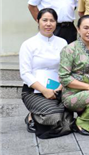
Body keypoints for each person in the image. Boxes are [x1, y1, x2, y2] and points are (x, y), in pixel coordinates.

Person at [19, 8, 73, 139]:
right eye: (45, 20)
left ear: (56, 23)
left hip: (57, 88)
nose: (48, 24)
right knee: (56, 116)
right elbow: (25, 73)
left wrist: (59, 88)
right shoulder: (28, 44)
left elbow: (66, 69)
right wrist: (44, 90)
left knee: (65, 112)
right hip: (34, 90)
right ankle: (32, 116)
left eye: (52, 20)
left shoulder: (62, 42)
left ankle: (39, 116)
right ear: (38, 21)